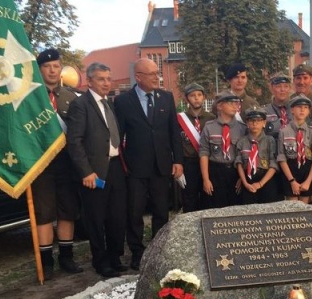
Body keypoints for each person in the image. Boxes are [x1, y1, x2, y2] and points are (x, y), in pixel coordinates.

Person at [113, 58, 183, 270]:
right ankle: (137, 252)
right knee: (134, 212)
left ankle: (158, 250)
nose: (157, 77)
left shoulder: (166, 97)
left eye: (157, 73)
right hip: (136, 168)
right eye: (152, 74)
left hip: (162, 166)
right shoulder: (123, 101)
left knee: (161, 210)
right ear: (139, 77)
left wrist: (178, 160)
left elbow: (174, 132)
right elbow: (119, 136)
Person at [67, 62, 126, 278]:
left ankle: (115, 256)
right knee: (95, 218)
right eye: (101, 79)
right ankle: (101, 262)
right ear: (89, 80)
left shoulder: (109, 104)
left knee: (117, 216)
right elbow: (74, 141)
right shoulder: (80, 105)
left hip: (116, 166)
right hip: (94, 171)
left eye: (109, 79)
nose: (106, 83)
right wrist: (85, 171)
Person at [31, 48, 82, 280]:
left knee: (67, 211)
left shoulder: (71, 98)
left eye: (56, 66)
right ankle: (46, 261)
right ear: (39, 69)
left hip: (67, 163)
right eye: (47, 66)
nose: (52, 70)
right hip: (40, 165)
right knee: (43, 213)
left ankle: (66, 257)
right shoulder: (31, 99)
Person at [200, 90, 248, 208]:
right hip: (215, 172)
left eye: (236, 103)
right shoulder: (209, 127)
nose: (235, 105)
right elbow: (204, 153)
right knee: (215, 208)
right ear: (220, 106)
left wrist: (243, 178)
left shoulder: (242, 128)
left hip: (235, 171)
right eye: (230, 103)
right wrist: (206, 179)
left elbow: (246, 155)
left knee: (236, 209)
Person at [176, 83, 215, 213]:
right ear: (186, 99)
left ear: (204, 97)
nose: (196, 98)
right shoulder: (180, 119)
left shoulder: (212, 118)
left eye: (199, 95)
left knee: (208, 197)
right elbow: (176, 143)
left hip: (208, 163)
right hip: (189, 163)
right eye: (192, 95)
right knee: (189, 198)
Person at [277, 95, 312, 204]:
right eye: (299, 107)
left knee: (305, 208)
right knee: (293, 207)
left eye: (305, 107)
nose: (302, 110)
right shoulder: (284, 131)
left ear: (309, 111)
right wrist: (291, 181)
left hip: (307, 172)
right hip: (290, 171)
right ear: (292, 110)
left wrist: (308, 181)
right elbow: (281, 157)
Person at [235, 107, 280, 204]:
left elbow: (273, 165)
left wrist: (260, 184)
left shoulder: (270, 140)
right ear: (247, 123)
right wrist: (245, 183)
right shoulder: (242, 141)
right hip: (248, 180)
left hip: (266, 179)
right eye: (251, 121)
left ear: (264, 123)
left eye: (258, 121)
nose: (255, 124)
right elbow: (239, 164)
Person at [265, 72, 293, 143]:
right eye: (278, 86)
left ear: (290, 88)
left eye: (286, 86)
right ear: (271, 88)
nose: (282, 90)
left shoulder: (296, 110)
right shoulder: (265, 112)